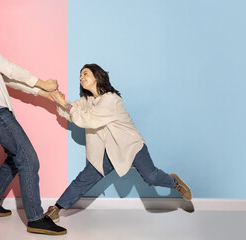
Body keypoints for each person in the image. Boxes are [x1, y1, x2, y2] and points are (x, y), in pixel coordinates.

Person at [0, 11, 66, 235]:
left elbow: (8, 79)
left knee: (15, 157)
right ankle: (36, 219)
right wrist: (43, 83)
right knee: (29, 159)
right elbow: (10, 68)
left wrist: (42, 93)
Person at [46, 63, 192, 223]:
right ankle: (56, 209)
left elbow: (86, 119)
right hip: (107, 152)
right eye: (80, 76)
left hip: (130, 146)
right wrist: (57, 99)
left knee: (151, 177)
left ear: (97, 76)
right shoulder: (87, 101)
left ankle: (174, 182)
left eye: (85, 74)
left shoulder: (111, 99)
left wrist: (65, 103)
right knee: (84, 179)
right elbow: (71, 112)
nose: (81, 77)